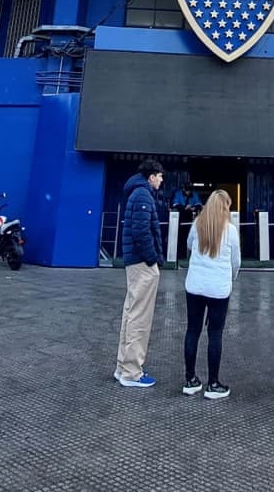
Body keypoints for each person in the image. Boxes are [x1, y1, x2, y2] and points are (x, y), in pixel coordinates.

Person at [182, 188, 240, 399]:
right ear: (225, 207)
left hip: (194, 286)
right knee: (215, 334)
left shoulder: (198, 225)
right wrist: (230, 278)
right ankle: (213, 384)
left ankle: (190, 380)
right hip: (218, 290)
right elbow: (236, 262)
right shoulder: (230, 230)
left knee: (192, 331)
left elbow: (189, 246)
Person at [114, 159, 165, 388]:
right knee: (140, 317)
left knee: (131, 312)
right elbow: (141, 230)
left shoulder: (136, 193)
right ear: (151, 176)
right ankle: (132, 372)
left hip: (134, 262)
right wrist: (152, 258)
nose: (162, 180)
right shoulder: (143, 195)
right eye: (160, 176)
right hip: (142, 263)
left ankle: (123, 367)